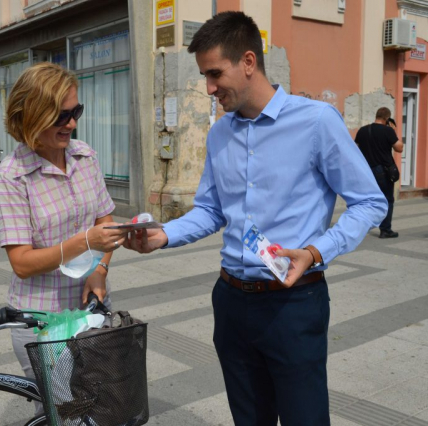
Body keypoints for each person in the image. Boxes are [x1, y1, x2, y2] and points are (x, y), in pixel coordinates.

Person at [124, 11, 387, 426]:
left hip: (293, 302)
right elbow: (212, 210)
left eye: (215, 74)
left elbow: (370, 202)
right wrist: (163, 235)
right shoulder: (219, 133)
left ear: (249, 62)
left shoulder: (316, 122)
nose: (209, 88)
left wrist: (318, 251)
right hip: (231, 301)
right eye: (204, 77)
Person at [0, 62, 129, 416]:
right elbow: (21, 262)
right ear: (32, 116)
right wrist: (85, 241)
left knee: (101, 407)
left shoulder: (85, 156)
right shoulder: (12, 177)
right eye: (61, 116)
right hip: (41, 323)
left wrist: (100, 271)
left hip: (90, 311)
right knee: (61, 414)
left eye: (76, 111)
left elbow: (105, 221)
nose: (72, 124)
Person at [355, 107, 403, 239]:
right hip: (383, 171)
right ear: (387, 119)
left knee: (366, 200)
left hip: (366, 170)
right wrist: (393, 131)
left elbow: (356, 149)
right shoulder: (388, 131)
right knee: (387, 199)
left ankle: (359, 228)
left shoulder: (363, 130)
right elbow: (399, 148)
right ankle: (385, 230)